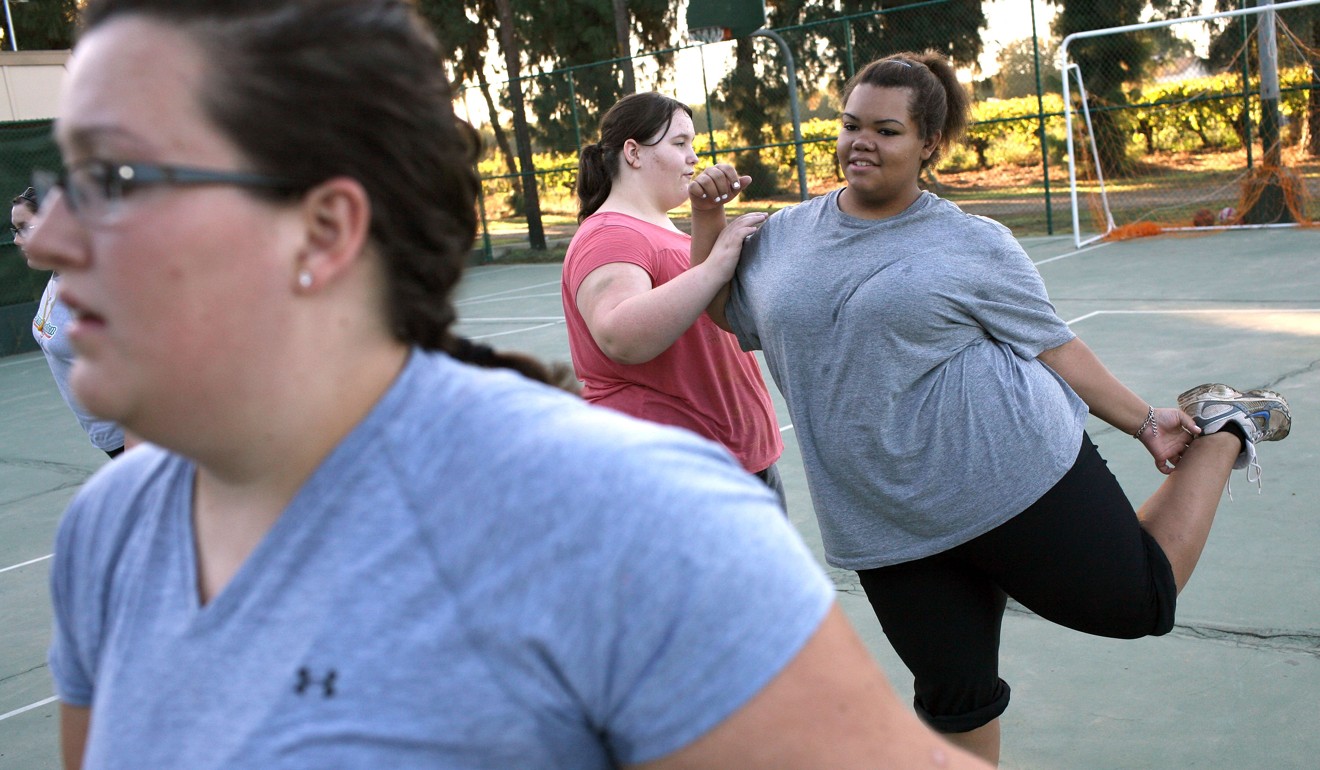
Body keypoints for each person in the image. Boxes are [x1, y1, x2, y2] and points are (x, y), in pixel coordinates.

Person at [29, 5, 993, 768]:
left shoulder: (643, 526)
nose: (51, 238)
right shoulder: (112, 532)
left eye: (114, 178)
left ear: (323, 230)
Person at [689, 51, 1292, 765]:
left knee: (1141, 606)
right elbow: (728, 310)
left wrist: (1147, 420)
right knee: (954, 694)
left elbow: (1055, 347)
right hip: (884, 518)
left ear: (928, 146)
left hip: (1012, 478)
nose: (861, 143)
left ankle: (1222, 430)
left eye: (886, 130)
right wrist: (705, 218)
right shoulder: (785, 236)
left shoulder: (971, 242)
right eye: (851, 125)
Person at [561, 92, 785, 505]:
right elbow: (621, 336)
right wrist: (716, 264)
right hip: (677, 473)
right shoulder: (611, 233)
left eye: (693, 145)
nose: (694, 158)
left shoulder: (661, 230)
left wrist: (708, 216)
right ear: (633, 152)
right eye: (680, 143)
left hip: (724, 462)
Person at [12, 187, 127, 457]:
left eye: (24, 227)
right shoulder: (58, 278)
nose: (17, 240)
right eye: (14, 229)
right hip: (113, 443)